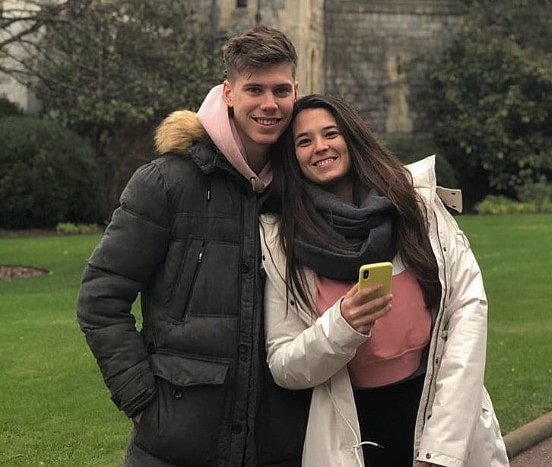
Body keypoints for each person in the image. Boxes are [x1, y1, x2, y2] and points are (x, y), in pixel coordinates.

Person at [77, 25, 306, 467]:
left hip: (276, 443)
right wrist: (142, 400)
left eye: (281, 89)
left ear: (296, 91)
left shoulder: (298, 189)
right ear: (228, 93)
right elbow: (100, 298)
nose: (269, 104)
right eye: (254, 88)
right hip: (174, 444)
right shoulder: (166, 182)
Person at [260, 95, 509, 467]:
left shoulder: (415, 205)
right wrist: (342, 325)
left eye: (331, 133)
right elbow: (283, 365)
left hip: (432, 410)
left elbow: (467, 313)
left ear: (352, 137)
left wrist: (440, 450)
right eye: (304, 141)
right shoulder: (281, 238)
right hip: (348, 432)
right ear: (291, 155)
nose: (321, 147)